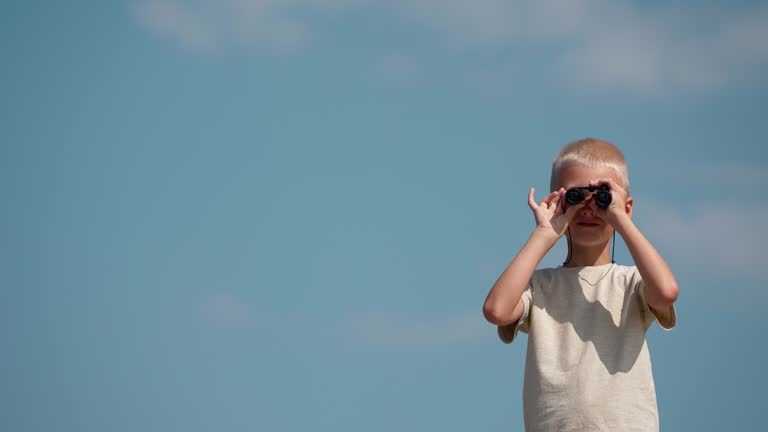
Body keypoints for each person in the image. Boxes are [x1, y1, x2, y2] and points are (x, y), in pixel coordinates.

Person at [482, 138, 679, 431]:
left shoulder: (630, 283)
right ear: (556, 201)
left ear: (625, 206)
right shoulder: (540, 287)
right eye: (575, 196)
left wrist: (620, 219)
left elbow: (666, 291)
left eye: (602, 196)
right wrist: (544, 233)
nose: (589, 208)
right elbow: (497, 310)